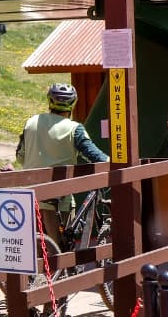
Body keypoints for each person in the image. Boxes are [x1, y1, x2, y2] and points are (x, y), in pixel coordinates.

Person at [17, 82, 108, 242]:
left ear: (49, 101)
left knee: (34, 246)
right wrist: (115, 163)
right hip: (59, 199)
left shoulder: (31, 122)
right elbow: (97, 157)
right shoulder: (74, 129)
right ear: (73, 104)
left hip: (31, 197)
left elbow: (20, 157)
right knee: (61, 248)